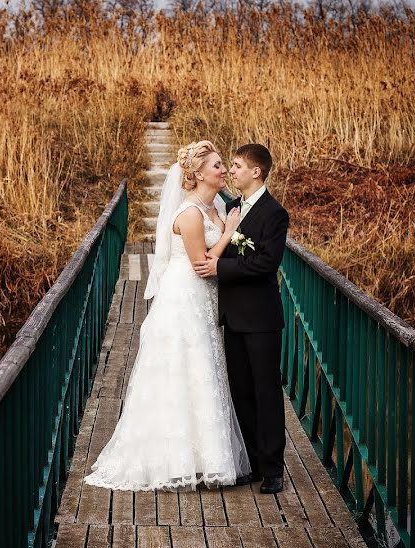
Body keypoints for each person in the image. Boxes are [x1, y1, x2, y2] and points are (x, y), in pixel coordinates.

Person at [83, 140, 250, 491]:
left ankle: (207, 458)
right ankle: (173, 460)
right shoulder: (189, 214)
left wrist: (229, 225)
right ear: (198, 173)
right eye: (218, 165)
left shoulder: (217, 205)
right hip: (184, 296)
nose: (224, 170)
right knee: (183, 368)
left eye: (223, 165)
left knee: (204, 370)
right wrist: (231, 232)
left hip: (203, 301)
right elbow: (202, 264)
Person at [193, 143, 289, 494]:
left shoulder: (274, 214)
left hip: (261, 318)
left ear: (256, 172)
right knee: (240, 392)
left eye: (236, 166)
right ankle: (250, 461)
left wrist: (222, 267)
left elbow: (267, 263)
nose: (231, 172)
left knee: (266, 392)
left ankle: (273, 468)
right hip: (232, 318)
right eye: (229, 165)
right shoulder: (231, 207)